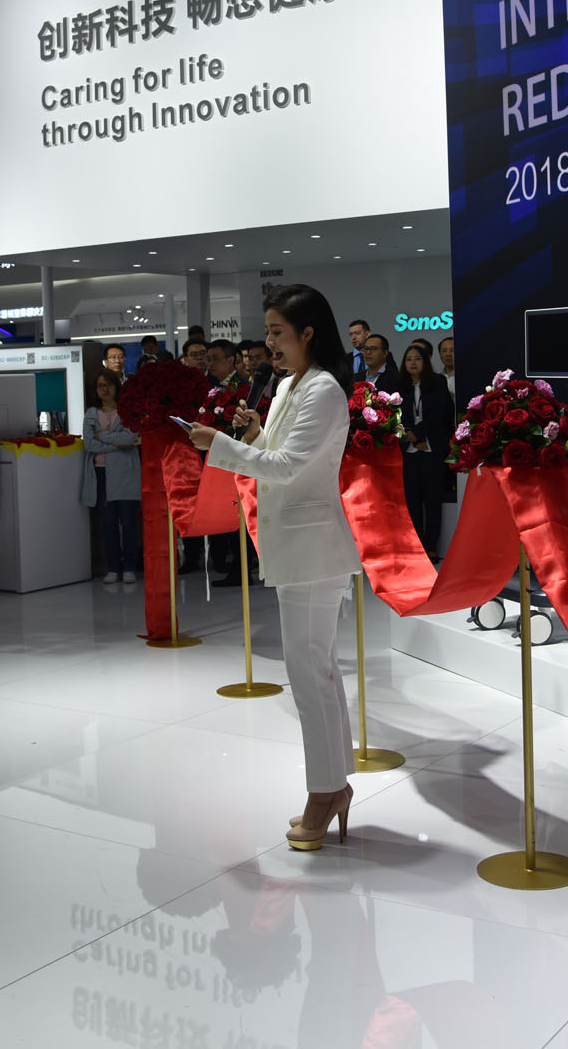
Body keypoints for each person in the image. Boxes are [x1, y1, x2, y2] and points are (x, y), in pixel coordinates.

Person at [189, 283, 360, 853]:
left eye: (277, 333)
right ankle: (334, 786)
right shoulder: (290, 384)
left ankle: (324, 792)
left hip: (313, 549)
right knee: (317, 672)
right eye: (267, 333)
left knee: (310, 676)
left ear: (308, 333)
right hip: (296, 545)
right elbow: (280, 454)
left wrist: (220, 445)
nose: (270, 344)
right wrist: (253, 434)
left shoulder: (325, 389)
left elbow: (287, 467)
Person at [390, 345, 454, 559]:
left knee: (433, 500)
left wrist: (419, 434)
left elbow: (440, 413)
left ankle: (431, 546)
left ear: (425, 362)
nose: (413, 363)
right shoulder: (399, 386)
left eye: (417, 358)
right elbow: (396, 413)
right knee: (412, 501)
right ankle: (416, 546)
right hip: (408, 450)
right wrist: (410, 435)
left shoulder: (437, 382)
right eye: (409, 359)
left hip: (432, 448)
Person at [80, 370, 140, 584]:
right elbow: (89, 444)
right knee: (108, 523)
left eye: (108, 385)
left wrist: (103, 436)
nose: (104, 389)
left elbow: (130, 437)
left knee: (128, 522)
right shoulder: (91, 414)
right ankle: (113, 568)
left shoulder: (128, 411)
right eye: (100, 386)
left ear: (116, 386)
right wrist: (119, 444)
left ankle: (130, 567)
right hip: (101, 473)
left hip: (126, 473)